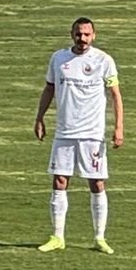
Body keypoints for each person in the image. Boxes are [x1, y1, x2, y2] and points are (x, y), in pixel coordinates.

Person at [34, 16, 124, 253]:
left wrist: (118, 127)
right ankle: (57, 237)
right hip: (65, 131)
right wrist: (40, 117)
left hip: (92, 133)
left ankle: (99, 237)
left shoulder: (103, 60)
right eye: (78, 33)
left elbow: (115, 95)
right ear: (71, 34)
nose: (82, 38)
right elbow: (49, 88)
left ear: (94, 36)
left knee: (96, 183)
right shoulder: (59, 58)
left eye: (86, 34)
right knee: (59, 180)